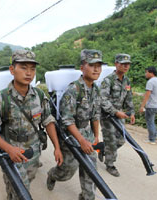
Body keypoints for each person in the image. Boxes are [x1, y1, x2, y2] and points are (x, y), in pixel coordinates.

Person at [0, 49, 63, 200]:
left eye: (32, 69)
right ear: (12, 70)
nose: (29, 73)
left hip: (34, 151)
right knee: (21, 190)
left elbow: (48, 120)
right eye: (23, 68)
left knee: (28, 180)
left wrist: (57, 148)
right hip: (11, 153)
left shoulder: (39, 95)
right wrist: (9, 149)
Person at [47, 49, 102, 200]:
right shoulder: (73, 89)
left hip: (87, 135)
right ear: (82, 67)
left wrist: (96, 136)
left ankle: (86, 197)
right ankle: (52, 175)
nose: (96, 69)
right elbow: (67, 120)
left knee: (91, 172)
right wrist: (81, 140)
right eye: (92, 65)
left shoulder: (96, 90)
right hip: (71, 136)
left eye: (99, 65)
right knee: (66, 172)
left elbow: (96, 115)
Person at [100, 53, 135, 177]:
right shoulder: (108, 80)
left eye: (128, 64)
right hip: (108, 116)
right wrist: (115, 112)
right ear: (116, 64)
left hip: (120, 115)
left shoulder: (127, 81)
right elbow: (103, 100)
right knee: (111, 141)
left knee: (121, 140)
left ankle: (103, 149)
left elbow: (129, 98)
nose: (126, 66)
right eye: (123, 64)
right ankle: (110, 164)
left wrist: (131, 112)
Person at [139, 66, 157, 144]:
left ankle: (152, 139)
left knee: (150, 121)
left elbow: (147, 94)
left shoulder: (150, 82)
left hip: (151, 105)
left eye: (146, 72)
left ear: (151, 73)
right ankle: (155, 135)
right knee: (152, 120)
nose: (145, 74)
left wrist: (142, 106)